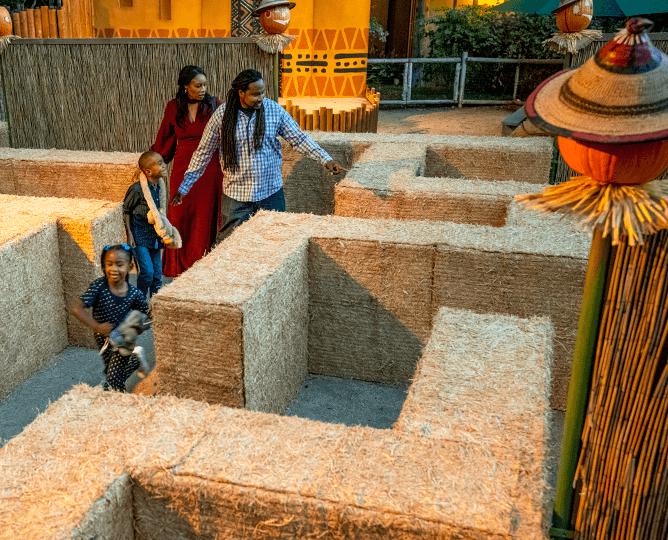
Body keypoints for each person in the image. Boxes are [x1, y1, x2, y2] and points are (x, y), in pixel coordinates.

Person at [171, 69, 342, 238]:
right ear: (241, 93)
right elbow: (203, 153)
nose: (261, 98)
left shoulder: (274, 110)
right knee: (230, 245)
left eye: (262, 93)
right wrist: (184, 186)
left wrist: (326, 160)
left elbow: (299, 139)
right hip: (236, 197)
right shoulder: (222, 116)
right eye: (255, 95)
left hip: (270, 194)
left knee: (274, 243)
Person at [151, 65, 223, 277]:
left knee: (203, 216)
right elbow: (165, 138)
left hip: (209, 169)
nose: (203, 90)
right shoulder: (173, 107)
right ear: (185, 86)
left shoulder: (214, 104)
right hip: (182, 166)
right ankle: (176, 265)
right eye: (198, 85)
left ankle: (200, 264)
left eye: (205, 85)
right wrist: (153, 162)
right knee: (179, 213)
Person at [71, 244, 149, 392]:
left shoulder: (135, 294)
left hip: (123, 341)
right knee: (112, 374)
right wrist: (96, 326)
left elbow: (147, 315)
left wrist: (138, 327)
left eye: (120, 264)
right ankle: (136, 359)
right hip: (103, 338)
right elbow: (76, 308)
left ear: (129, 267)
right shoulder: (98, 287)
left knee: (113, 381)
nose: (114, 269)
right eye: (109, 264)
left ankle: (119, 409)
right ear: (103, 265)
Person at [123, 151, 165, 300]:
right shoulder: (136, 189)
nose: (164, 166)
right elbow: (126, 210)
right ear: (148, 171)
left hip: (155, 237)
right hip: (140, 237)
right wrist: (130, 234)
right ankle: (140, 301)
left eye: (162, 161)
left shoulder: (160, 188)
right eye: (159, 164)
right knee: (147, 272)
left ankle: (154, 306)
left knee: (157, 275)